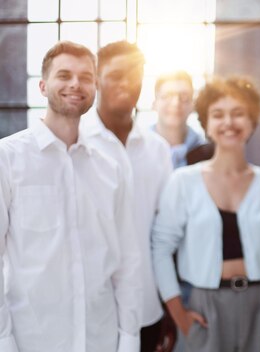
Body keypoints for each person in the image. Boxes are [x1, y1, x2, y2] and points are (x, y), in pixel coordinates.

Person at [0, 41, 141, 351]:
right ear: (42, 85)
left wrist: (129, 341)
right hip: (30, 340)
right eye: (64, 75)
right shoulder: (6, 159)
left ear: (95, 87)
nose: (76, 84)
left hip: (101, 339)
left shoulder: (111, 168)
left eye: (86, 77)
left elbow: (128, 261)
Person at [152, 76, 260, 351]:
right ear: (206, 123)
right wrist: (178, 313)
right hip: (204, 306)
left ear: (252, 121)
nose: (228, 123)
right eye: (218, 115)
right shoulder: (183, 181)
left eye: (238, 114)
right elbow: (160, 248)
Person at [81, 40, 173, 352]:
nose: (126, 83)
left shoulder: (158, 149)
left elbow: (165, 233)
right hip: (87, 307)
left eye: (134, 75)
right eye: (115, 75)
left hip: (146, 305)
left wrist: (168, 307)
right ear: (96, 80)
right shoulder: (74, 144)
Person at [152, 70, 205, 169]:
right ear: (154, 104)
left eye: (184, 97)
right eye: (167, 96)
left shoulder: (205, 151)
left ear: (192, 105)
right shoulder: (137, 148)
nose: (176, 103)